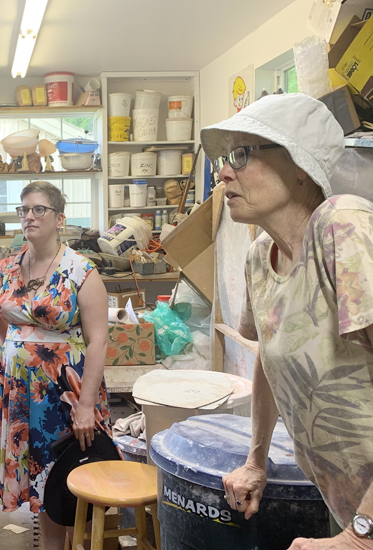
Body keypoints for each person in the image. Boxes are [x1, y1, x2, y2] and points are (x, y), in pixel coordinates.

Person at [201, 93, 373, 550]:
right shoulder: (260, 258)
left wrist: (361, 536)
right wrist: (256, 459)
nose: (223, 173)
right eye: (224, 157)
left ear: (300, 164)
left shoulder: (341, 226)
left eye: (242, 154)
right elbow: (271, 357)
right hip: (351, 503)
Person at [0, 181, 112, 550]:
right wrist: (12, 346)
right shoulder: (7, 268)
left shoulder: (80, 271)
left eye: (38, 209)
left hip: (65, 393)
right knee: (40, 478)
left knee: (71, 472)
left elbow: (98, 341)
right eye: (23, 210)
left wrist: (86, 404)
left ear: (60, 219)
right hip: (21, 393)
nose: (28, 216)